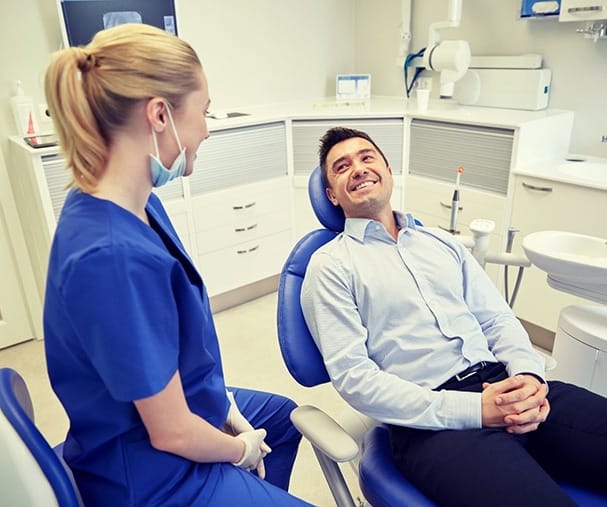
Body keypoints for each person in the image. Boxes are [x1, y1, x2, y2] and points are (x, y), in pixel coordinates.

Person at [43, 24, 312, 507]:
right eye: (203, 111)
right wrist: (238, 449)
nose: (207, 128)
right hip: (152, 473)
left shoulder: (136, 203)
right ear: (160, 115)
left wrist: (223, 403)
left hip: (179, 410)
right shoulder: (110, 257)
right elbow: (171, 434)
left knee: (282, 419)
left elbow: (173, 345)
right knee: (258, 444)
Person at [301, 127, 607, 507]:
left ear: (388, 170)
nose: (358, 169)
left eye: (367, 158)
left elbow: (497, 318)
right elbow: (355, 379)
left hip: (505, 381)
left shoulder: (441, 243)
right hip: (432, 423)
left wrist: (529, 377)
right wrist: (476, 410)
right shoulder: (331, 266)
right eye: (342, 167)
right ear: (332, 195)